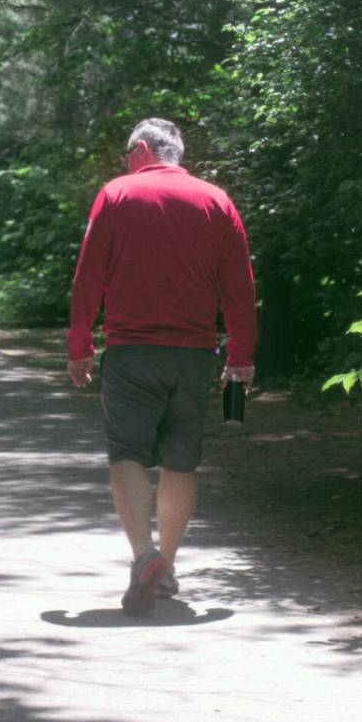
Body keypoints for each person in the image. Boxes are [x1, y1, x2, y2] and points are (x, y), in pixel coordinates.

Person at [68, 117, 256, 614]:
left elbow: (89, 273)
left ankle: (144, 556)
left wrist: (79, 343)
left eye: (127, 151)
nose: (124, 162)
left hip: (132, 351)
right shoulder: (217, 200)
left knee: (127, 453)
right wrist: (240, 354)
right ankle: (165, 567)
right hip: (195, 355)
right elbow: (239, 284)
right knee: (181, 459)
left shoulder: (117, 194)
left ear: (145, 149)